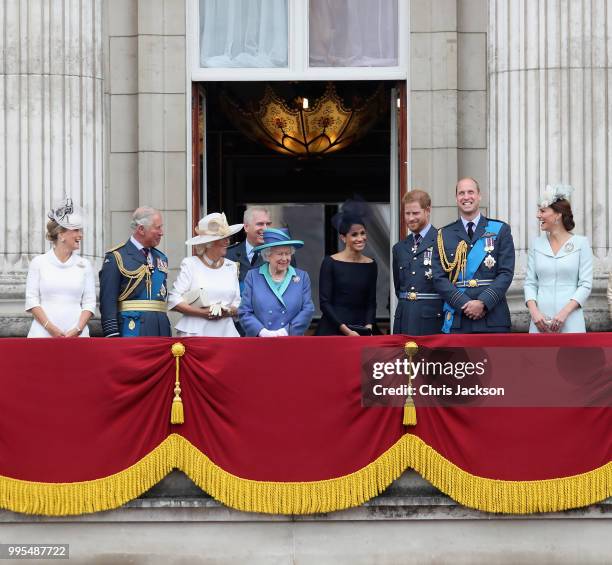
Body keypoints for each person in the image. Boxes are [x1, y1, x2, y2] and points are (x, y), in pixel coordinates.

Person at [432, 177, 515, 333]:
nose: (466, 197)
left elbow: (506, 273)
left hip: (493, 317)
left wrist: (483, 302)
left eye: (471, 192)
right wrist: (464, 303)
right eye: (461, 193)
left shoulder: (500, 230)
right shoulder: (444, 235)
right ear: (456, 198)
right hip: (459, 318)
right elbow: (438, 277)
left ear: (479, 196)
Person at [524, 185, 593, 333]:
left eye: (542, 211)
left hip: (570, 320)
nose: (538, 215)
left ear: (558, 215)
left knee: (571, 357)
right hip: (539, 322)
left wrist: (564, 313)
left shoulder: (581, 243)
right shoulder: (536, 244)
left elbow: (585, 285)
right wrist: (535, 313)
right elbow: (530, 283)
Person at [25, 198, 96, 337]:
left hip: (77, 337)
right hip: (42, 335)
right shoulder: (38, 263)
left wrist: (77, 330)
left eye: (80, 230)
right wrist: (51, 328)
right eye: (75, 230)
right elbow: (32, 299)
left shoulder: (85, 265)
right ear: (61, 234)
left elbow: (89, 302)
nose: (80, 235)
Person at [99, 207, 171, 337]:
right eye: (157, 228)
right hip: (131, 329)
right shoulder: (116, 257)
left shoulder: (161, 258)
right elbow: (108, 300)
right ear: (141, 229)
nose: (162, 232)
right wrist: (112, 334)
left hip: (160, 329)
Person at [168, 213, 243, 337]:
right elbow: (174, 299)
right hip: (195, 333)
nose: (227, 241)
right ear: (209, 243)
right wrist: (201, 313)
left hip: (226, 334)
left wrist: (227, 311)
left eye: (227, 237)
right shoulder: (191, 264)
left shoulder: (232, 266)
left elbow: (237, 303)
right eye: (222, 238)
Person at [315, 202, 377, 336]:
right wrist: (347, 331)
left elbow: (371, 302)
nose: (360, 238)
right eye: (354, 235)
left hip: (363, 329)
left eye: (362, 233)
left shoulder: (371, 264)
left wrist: (368, 327)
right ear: (343, 238)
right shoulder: (330, 262)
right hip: (334, 329)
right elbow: (325, 303)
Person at [239, 228, 314, 336]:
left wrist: (286, 331)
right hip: (260, 343)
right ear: (267, 255)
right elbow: (244, 311)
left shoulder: (302, 277)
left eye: (288, 253)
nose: (285, 258)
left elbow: (308, 310)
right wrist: (261, 332)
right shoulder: (253, 276)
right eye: (280, 254)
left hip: (290, 341)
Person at [392, 189, 443, 335]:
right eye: (407, 213)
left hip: (432, 321)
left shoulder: (443, 241)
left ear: (427, 210)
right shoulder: (399, 248)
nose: (410, 218)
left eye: (415, 213)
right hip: (404, 319)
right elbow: (399, 288)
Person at [226, 206, 272, 288]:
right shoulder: (228, 255)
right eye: (260, 224)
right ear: (246, 227)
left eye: (268, 224)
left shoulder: (281, 255)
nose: (265, 229)